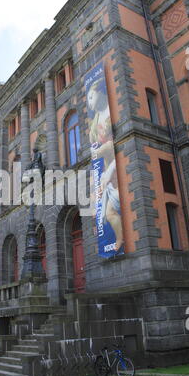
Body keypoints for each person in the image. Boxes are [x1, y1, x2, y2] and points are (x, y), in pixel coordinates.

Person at [87, 76, 123, 253]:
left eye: (91, 97)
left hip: (115, 166)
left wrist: (98, 153)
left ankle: (120, 240)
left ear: (101, 93)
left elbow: (111, 144)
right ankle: (119, 240)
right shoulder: (94, 122)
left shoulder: (110, 112)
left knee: (108, 212)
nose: (89, 102)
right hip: (104, 170)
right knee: (105, 215)